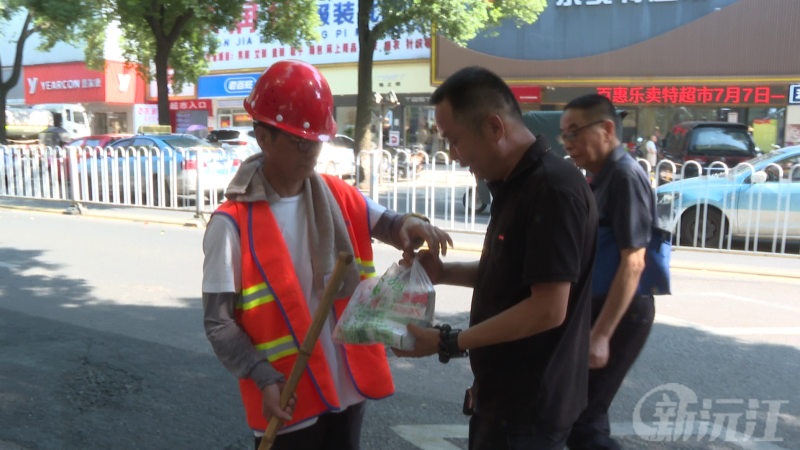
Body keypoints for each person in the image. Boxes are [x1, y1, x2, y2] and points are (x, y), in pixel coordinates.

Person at [202, 60, 452, 450]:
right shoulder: (231, 225)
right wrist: (262, 375)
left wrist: (410, 224)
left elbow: (388, 223)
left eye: (317, 140)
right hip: (286, 395)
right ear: (263, 138)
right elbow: (219, 324)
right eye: (299, 142)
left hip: (348, 385)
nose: (312, 152)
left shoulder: (337, 195)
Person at [394, 67, 598, 450]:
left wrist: (449, 342)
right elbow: (511, 274)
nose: (454, 156)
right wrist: (443, 271)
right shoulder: (515, 183)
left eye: (455, 141)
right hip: (504, 398)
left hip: (529, 411)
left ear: (494, 127)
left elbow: (548, 308)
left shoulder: (552, 190)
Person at [560, 94, 656, 450]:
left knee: (583, 422)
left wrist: (601, 335)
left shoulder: (625, 175)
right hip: (596, 306)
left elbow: (634, 261)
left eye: (574, 132)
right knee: (581, 417)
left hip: (621, 312)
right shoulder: (602, 176)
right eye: (563, 135)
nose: (568, 142)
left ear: (607, 129)